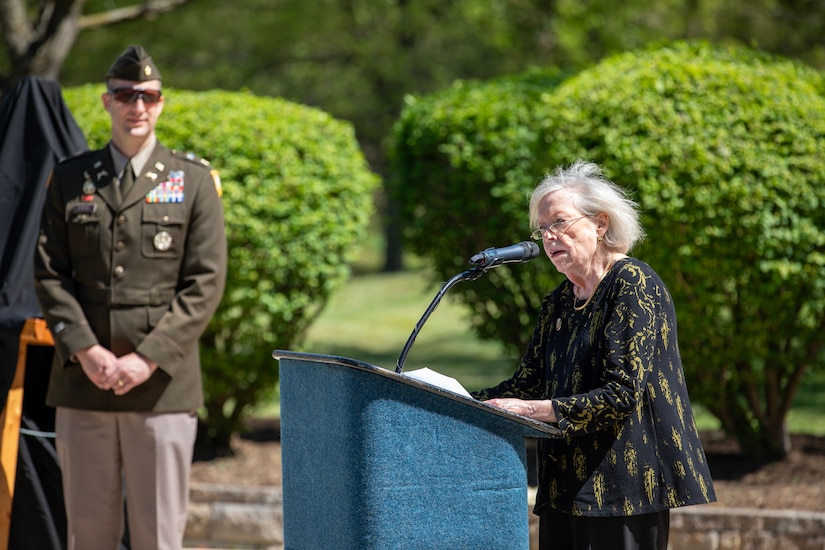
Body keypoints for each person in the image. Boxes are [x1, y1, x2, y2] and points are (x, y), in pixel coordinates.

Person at [34, 45, 227, 549]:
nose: (135, 106)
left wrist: (146, 360)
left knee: (158, 535)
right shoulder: (71, 177)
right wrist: (85, 349)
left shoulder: (194, 181)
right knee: (88, 535)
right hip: (84, 382)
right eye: (124, 95)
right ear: (107, 102)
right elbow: (50, 272)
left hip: (161, 388)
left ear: (161, 103)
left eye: (147, 95)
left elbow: (204, 282)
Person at [472, 160, 715, 550]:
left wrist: (531, 410)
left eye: (559, 223)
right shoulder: (558, 303)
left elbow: (621, 394)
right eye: (542, 229)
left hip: (625, 487)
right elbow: (526, 384)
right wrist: (452, 400)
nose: (549, 237)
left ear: (600, 223)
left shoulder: (632, 284)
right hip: (564, 486)